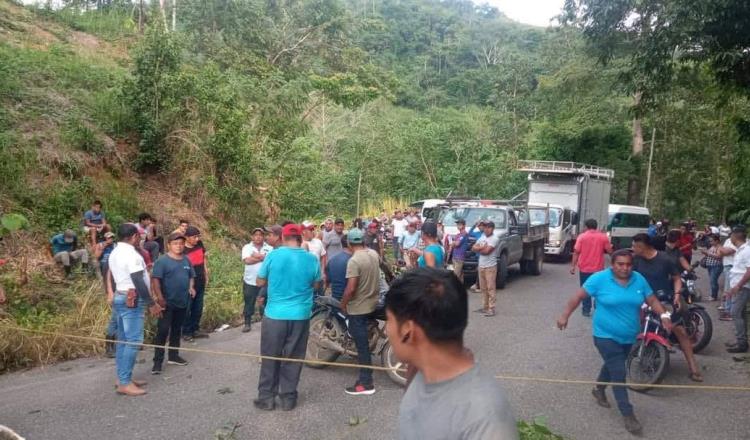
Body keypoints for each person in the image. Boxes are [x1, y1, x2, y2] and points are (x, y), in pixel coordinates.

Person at [387, 268, 518, 439]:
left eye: (388, 320)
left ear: (407, 331)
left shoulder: (485, 419)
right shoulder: (419, 370)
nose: (386, 331)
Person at [557, 249, 672, 436]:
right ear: (613, 264)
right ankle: (628, 414)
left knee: (612, 366)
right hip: (604, 335)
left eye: (628, 264)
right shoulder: (599, 279)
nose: (625, 268)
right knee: (619, 372)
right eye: (620, 264)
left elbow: (651, 299)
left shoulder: (639, 279)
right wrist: (564, 316)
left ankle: (599, 389)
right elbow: (578, 297)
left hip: (629, 336)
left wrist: (664, 315)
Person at [254, 224, 321, 411]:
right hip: (300, 316)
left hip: (275, 315)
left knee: (270, 356)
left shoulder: (273, 256)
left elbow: (259, 281)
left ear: (283, 238)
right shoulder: (311, 259)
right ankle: (288, 398)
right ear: (300, 238)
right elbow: (316, 285)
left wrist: (273, 280)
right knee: (294, 356)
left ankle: (266, 398)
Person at [631, 233, 703, 381]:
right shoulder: (636, 260)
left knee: (680, 331)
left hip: (665, 301)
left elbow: (677, 279)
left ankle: (693, 367)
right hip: (643, 301)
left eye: (634, 246)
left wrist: (677, 294)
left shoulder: (665, 259)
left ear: (641, 246)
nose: (632, 248)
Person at [108, 223, 163, 396]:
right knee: (134, 340)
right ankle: (124, 383)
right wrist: (151, 303)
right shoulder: (131, 254)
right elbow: (138, 280)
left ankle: (123, 377)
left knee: (124, 340)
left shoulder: (115, 251)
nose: (141, 238)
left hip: (121, 296)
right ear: (133, 236)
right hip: (132, 299)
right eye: (139, 236)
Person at [339, 228, 381, 395]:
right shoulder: (373, 254)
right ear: (363, 241)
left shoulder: (354, 261)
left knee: (362, 346)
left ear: (349, 243)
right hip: (373, 303)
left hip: (358, 308)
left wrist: (343, 304)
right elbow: (383, 268)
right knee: (363, 343)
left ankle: (365, 383)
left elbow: (350, 289)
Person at [150, 232, 196, 374]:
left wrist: (191, 287)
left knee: (177, 329)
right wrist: (159, 297)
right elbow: (156, 280)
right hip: (167, 302)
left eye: (181, 244)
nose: (179, 246)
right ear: (169, 245)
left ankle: (174, 356)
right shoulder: (162, 261)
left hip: (182, 301)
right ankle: (157, 362)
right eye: (175, 243)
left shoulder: (186, 260)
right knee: (163, 331)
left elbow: (191, 276)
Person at [570, 219, 613, 317]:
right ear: (596, 226)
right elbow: (610, 251)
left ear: (586, 226)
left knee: (586, 289)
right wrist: (614, 263)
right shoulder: (603, 237)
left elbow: (576, 252)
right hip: (598, 268)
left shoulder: (582, 237)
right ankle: (598, 306)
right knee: (599, 288)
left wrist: (573, 266)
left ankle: (586, 309)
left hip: (584, 268)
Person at [241, 228, 273, 333]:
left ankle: (266, 324)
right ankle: (247, 323)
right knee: (249, 302)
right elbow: (247, 261)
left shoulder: (269, 248)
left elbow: (271, 261)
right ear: (252, 236)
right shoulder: (247, 247)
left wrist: (256, 256)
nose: (258, 237)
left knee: (265, 302)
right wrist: (263, 257)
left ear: (263, 236)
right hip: (250, 281)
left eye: (260, 235)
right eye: (256, 235)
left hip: (265, 281)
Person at [182, 226, 210, 341]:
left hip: (200, 281)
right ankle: (186, 332)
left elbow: (204, 260)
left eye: (198, 236)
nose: (197, 239)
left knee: (198, 308)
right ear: (186, 238)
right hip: (188, 284)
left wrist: (206, 274)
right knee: (187, 309)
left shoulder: (199, 245)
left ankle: (195, 329)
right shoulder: (182, 250)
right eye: (194, 237)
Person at [726, 226, 750, 353]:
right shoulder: (740, 250)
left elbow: (749, 271)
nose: (730, 237)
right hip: (738, 286)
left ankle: (741, 343)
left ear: (736, 236)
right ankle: (742, 340)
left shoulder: (747, 250)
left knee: (735, 312)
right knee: (741, 313)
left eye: (731, 235)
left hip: (743, 287)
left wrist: (738, 286)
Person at [472, 221, 499, 317]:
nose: (486, 229)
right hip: (481, 265)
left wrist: (479, 248)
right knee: (483, 288)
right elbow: (473, 248)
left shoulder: (494, 239)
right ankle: (485, 306)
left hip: (490, 266)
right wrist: (480, 248)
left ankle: (492, 308)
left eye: (488, 227)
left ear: (492, 228)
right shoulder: (482, 237)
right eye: (485, 227)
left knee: (490, 287)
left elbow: (487, 251)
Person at [302, 221, 327, 295]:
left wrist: (322, 271)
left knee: (320, 299)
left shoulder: (318, 242)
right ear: (304, 232)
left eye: (313, 229)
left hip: (318, 277)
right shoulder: (299, 243)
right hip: (305, 279)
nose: (313, 231)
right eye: (311, 230)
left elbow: (323, 256)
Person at [718, 231, 738, 320]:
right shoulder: (728, 240)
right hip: (726, 266)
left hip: (731, 266)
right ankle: (727, 308)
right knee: (723, 287)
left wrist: (720, 248)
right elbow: (721, 253)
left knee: (729, 290)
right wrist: (722, 250)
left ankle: (728, 311)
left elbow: (729, 251)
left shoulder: (738, 242)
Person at [326, 235, 351, 301]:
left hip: (335, 299)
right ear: (350, 244)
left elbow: (328, 280)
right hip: (349, 301)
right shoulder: (353, 261)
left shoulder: (332, 260)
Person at [699, 234, 724, 301]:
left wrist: (708, 253)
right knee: (712, 280)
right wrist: (705, 253)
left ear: (717, 241)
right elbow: (710, 255)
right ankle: (713, 295)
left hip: (716, 266)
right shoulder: (712, 247)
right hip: (710, 265)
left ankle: (714, 295)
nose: (710, 242)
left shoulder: (720, 247)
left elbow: (719, 256)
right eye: (710, 241)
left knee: (713, 281)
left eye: (712, 241)